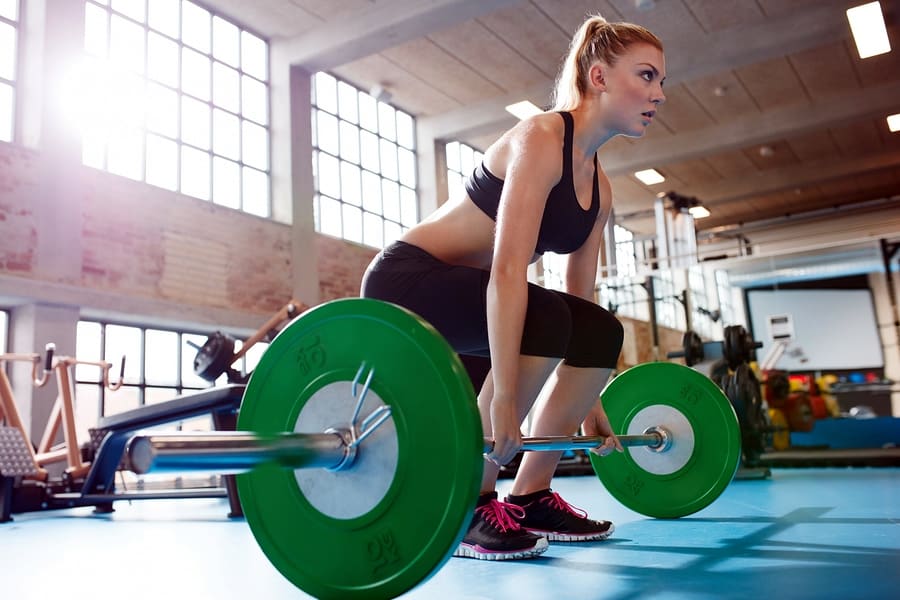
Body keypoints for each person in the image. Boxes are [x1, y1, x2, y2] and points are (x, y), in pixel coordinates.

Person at [361, 14, 666, 560]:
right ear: (599, 77)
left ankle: (531, 492)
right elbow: (508, 270)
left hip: (477, 298)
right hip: (410, 282)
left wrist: (586, 402)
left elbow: (580, 305)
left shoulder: (600, 184)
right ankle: (468, 502)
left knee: (598, 326)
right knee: (544, 318)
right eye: (646, 76)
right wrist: (505, 399)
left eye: (660, 81)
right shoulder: (542, 137)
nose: (657, 93)